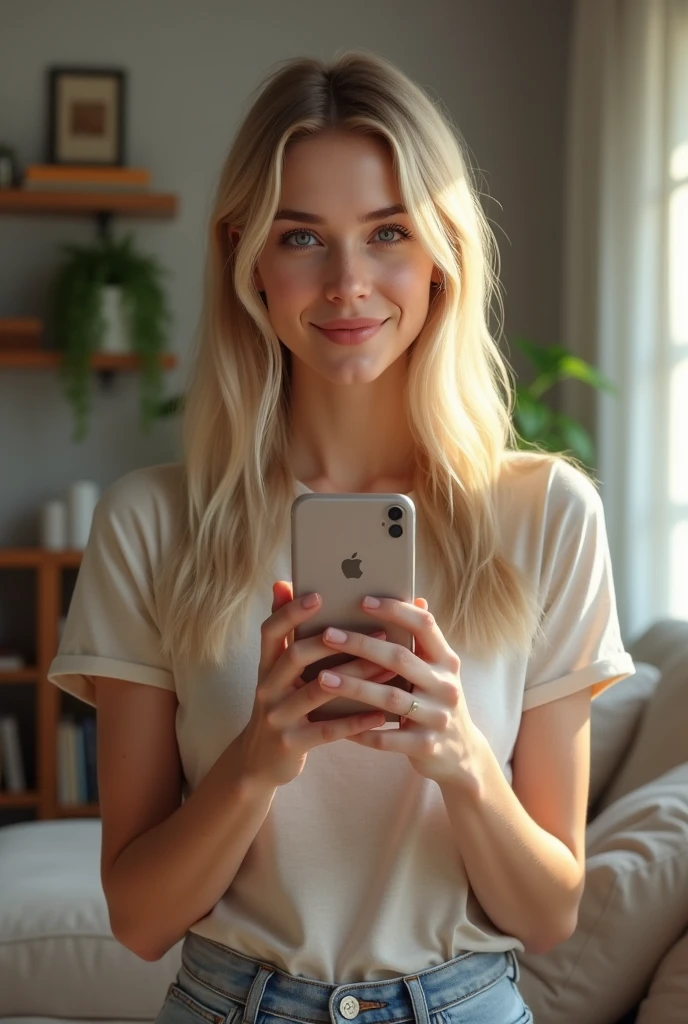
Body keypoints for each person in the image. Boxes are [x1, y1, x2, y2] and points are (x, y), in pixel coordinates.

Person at [47, 48, 636, 1024]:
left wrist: (459, 755)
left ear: (441, 250)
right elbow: (140, 919)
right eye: (303, 237)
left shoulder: (546, 513)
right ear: (247, 257)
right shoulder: (151, 521)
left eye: (388, 232)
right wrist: (256, 761)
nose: (348, 283)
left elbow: (548, 913)